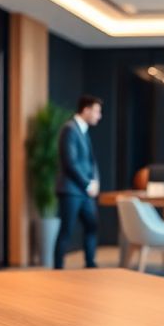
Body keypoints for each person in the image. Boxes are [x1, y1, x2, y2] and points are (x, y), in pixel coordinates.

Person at [54, 95, 102, 269]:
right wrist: (87, 184)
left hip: (85, 192)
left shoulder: (83, 130)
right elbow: (70, 162)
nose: (99, 115)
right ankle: (57, 269)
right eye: (97, 111)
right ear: (86, 110)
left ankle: (90, 264)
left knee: (92, 225)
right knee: (66, 231)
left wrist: (95, 182)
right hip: (71, 191)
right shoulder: (69, 129)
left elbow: (90, 161)